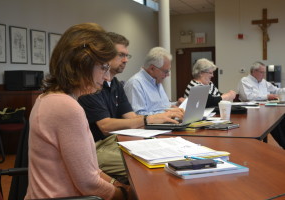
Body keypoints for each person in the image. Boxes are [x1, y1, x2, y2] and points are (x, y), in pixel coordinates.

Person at [25, 23, 131, 200]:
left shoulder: (49, 97)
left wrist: (118, 186)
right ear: (82, 63)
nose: (106, 78)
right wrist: (125, 195)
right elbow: (88, 183)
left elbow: (91, 171)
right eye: (103, 68)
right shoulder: (66, 107)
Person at [78, 32, 183, 180]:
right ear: (105, 55)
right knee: (154, 167)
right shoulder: (91, 84)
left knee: (168, 154)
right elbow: (105, 126)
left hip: (116, 140)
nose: (125, 60)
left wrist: (159, 118)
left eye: (127, 55)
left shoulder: (115, 83)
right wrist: (150, 119)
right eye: (121, 55)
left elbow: (132, 117)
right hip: (97, 146)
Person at [123, 47, 185, 115]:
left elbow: (162, 106)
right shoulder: (135, 84)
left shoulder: (156, 81)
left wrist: (177, 104)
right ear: (152, 69)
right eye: (165, 71)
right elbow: (137, 116)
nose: (168, 75)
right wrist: (169, 113)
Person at [237, 61, 285, 149]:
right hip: (252, 112)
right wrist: (267, 96)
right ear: (254, 71)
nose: (264, 75)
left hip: (265, 109)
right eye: (261, 72)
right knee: (275, 122)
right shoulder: (245, 81)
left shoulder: (263, 82)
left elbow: (276, 90)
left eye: (264, 72)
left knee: (281, 118)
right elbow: (247, 97)